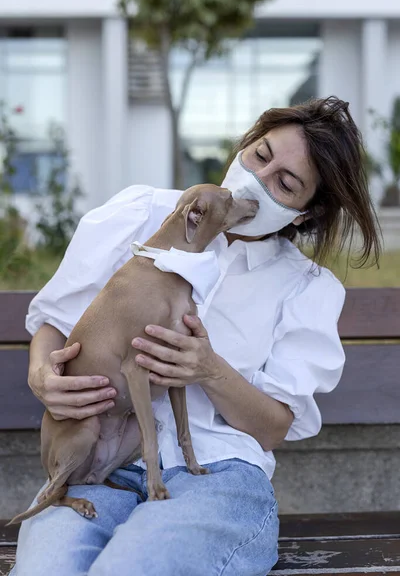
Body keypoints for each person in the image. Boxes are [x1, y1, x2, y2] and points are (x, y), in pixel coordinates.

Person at [11, 96, 380, 576]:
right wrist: (42, 373)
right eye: (260, 155)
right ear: (245, 143)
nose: (257, 180)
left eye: (285, 185)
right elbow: (55, 323)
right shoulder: (142, 213)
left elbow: (272, 428)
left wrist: (208, 368)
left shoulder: (305, 289)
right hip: (100, 467)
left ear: (305, 215)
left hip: (218, 477)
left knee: (135, 568)